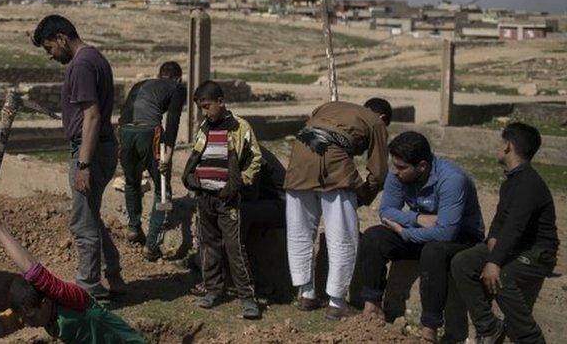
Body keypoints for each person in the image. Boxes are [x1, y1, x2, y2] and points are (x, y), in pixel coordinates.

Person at [0, 196, 145, 343]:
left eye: (31, 318)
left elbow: (35, 273)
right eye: (25, 319)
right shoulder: (28, 309)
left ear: (46, 302)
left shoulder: (72, 299)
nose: (29, 324)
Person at [358, 131, 484, 342]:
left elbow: (446, 232)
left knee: (433, 251)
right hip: (422, 230)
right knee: (374, 237)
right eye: (394, 165)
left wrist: (406, 232)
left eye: (401, 168)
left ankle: (430, 327)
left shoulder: (452, 180)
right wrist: (418, 219)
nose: (395, 172)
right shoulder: (399, 173)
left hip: (461, 237)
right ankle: (372, 306)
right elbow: (386, 211)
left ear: (422, 166)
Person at [32, 14, 123, 299]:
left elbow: (92, 115)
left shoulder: (82, 64)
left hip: (90, 151)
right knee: (91, 216)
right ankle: (114, 276)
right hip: (100, 147)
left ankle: (88, 289)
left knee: (82, 222)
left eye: (49, 48)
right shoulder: (94, 58)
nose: (50, 55)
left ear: (61, 38)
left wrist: (83, 163)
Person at [284, 97, 392, 319]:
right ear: (383, 117)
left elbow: (312, 126)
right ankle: (337, 302)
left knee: (300, 231)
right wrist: (362, 195)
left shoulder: (329, 105)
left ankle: (306, 293)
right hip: (332, 162)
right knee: (342, 236)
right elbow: (379, 173)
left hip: (298, 158)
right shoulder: (376, 121)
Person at [451, 123, 559, 344]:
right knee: (463, 262)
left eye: (500, 142)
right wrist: (491, 240)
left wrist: (494, 261)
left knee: (501, 277)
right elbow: (501, 220)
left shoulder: (528, 183)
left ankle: (530, 338)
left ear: (508, 146)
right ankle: (488, 327)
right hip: (515, 245)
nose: (498, 147)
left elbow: (515, 227)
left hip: (537, 252)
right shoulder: (513, 179)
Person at [180, 81, 264, 319]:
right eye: (201, 109)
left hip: (227, 200)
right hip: (205, 198)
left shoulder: (241, 127)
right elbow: (197, 157)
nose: (205, 113)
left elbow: (255, 159)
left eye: (207, 107)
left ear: (221, 101)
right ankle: (213, 289)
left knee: (234, 247)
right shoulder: (204, 127)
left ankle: (247, 298)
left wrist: (238, 183)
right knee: (208, 245)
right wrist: (192, 178)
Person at [117, 60, 187, 260]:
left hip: (124, 131)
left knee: (132, 181)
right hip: (149, 133)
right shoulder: (176, 88)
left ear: (159, 75)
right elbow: (173, 120)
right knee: (162, 188)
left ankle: (133, 227)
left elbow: (125, 112)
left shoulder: (141, 84)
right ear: (178, 78)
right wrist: (168, 154)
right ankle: (152, 244)